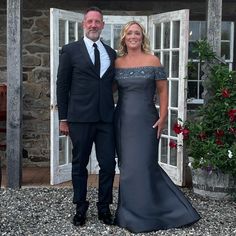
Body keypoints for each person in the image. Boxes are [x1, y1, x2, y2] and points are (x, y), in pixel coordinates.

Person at [113, 21, 201, 233]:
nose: (133, 36)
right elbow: (108, 90)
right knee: (127, 169)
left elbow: (162, 91)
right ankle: (128, 214)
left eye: (137, 33)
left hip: (147, 121)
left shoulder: (153, 60)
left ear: (142, 37)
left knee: (144, 165)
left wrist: (162, 118)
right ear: (124, 38)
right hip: (123, 122)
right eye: (130, 33)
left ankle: (161, 211)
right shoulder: (117, 63)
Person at [56, 6, 116, 227]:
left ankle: (104, 207)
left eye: (97, 22)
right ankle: (80, 207)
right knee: (79, 164)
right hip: (79, 118)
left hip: (106, 119)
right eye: (89, 21)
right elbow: (62, 86)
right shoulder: (70, 50)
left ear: (102, 25)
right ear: (84, 24)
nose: (93, 25)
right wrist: (63, 118)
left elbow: (113, 85)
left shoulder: (111, 53)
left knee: (108, 164)